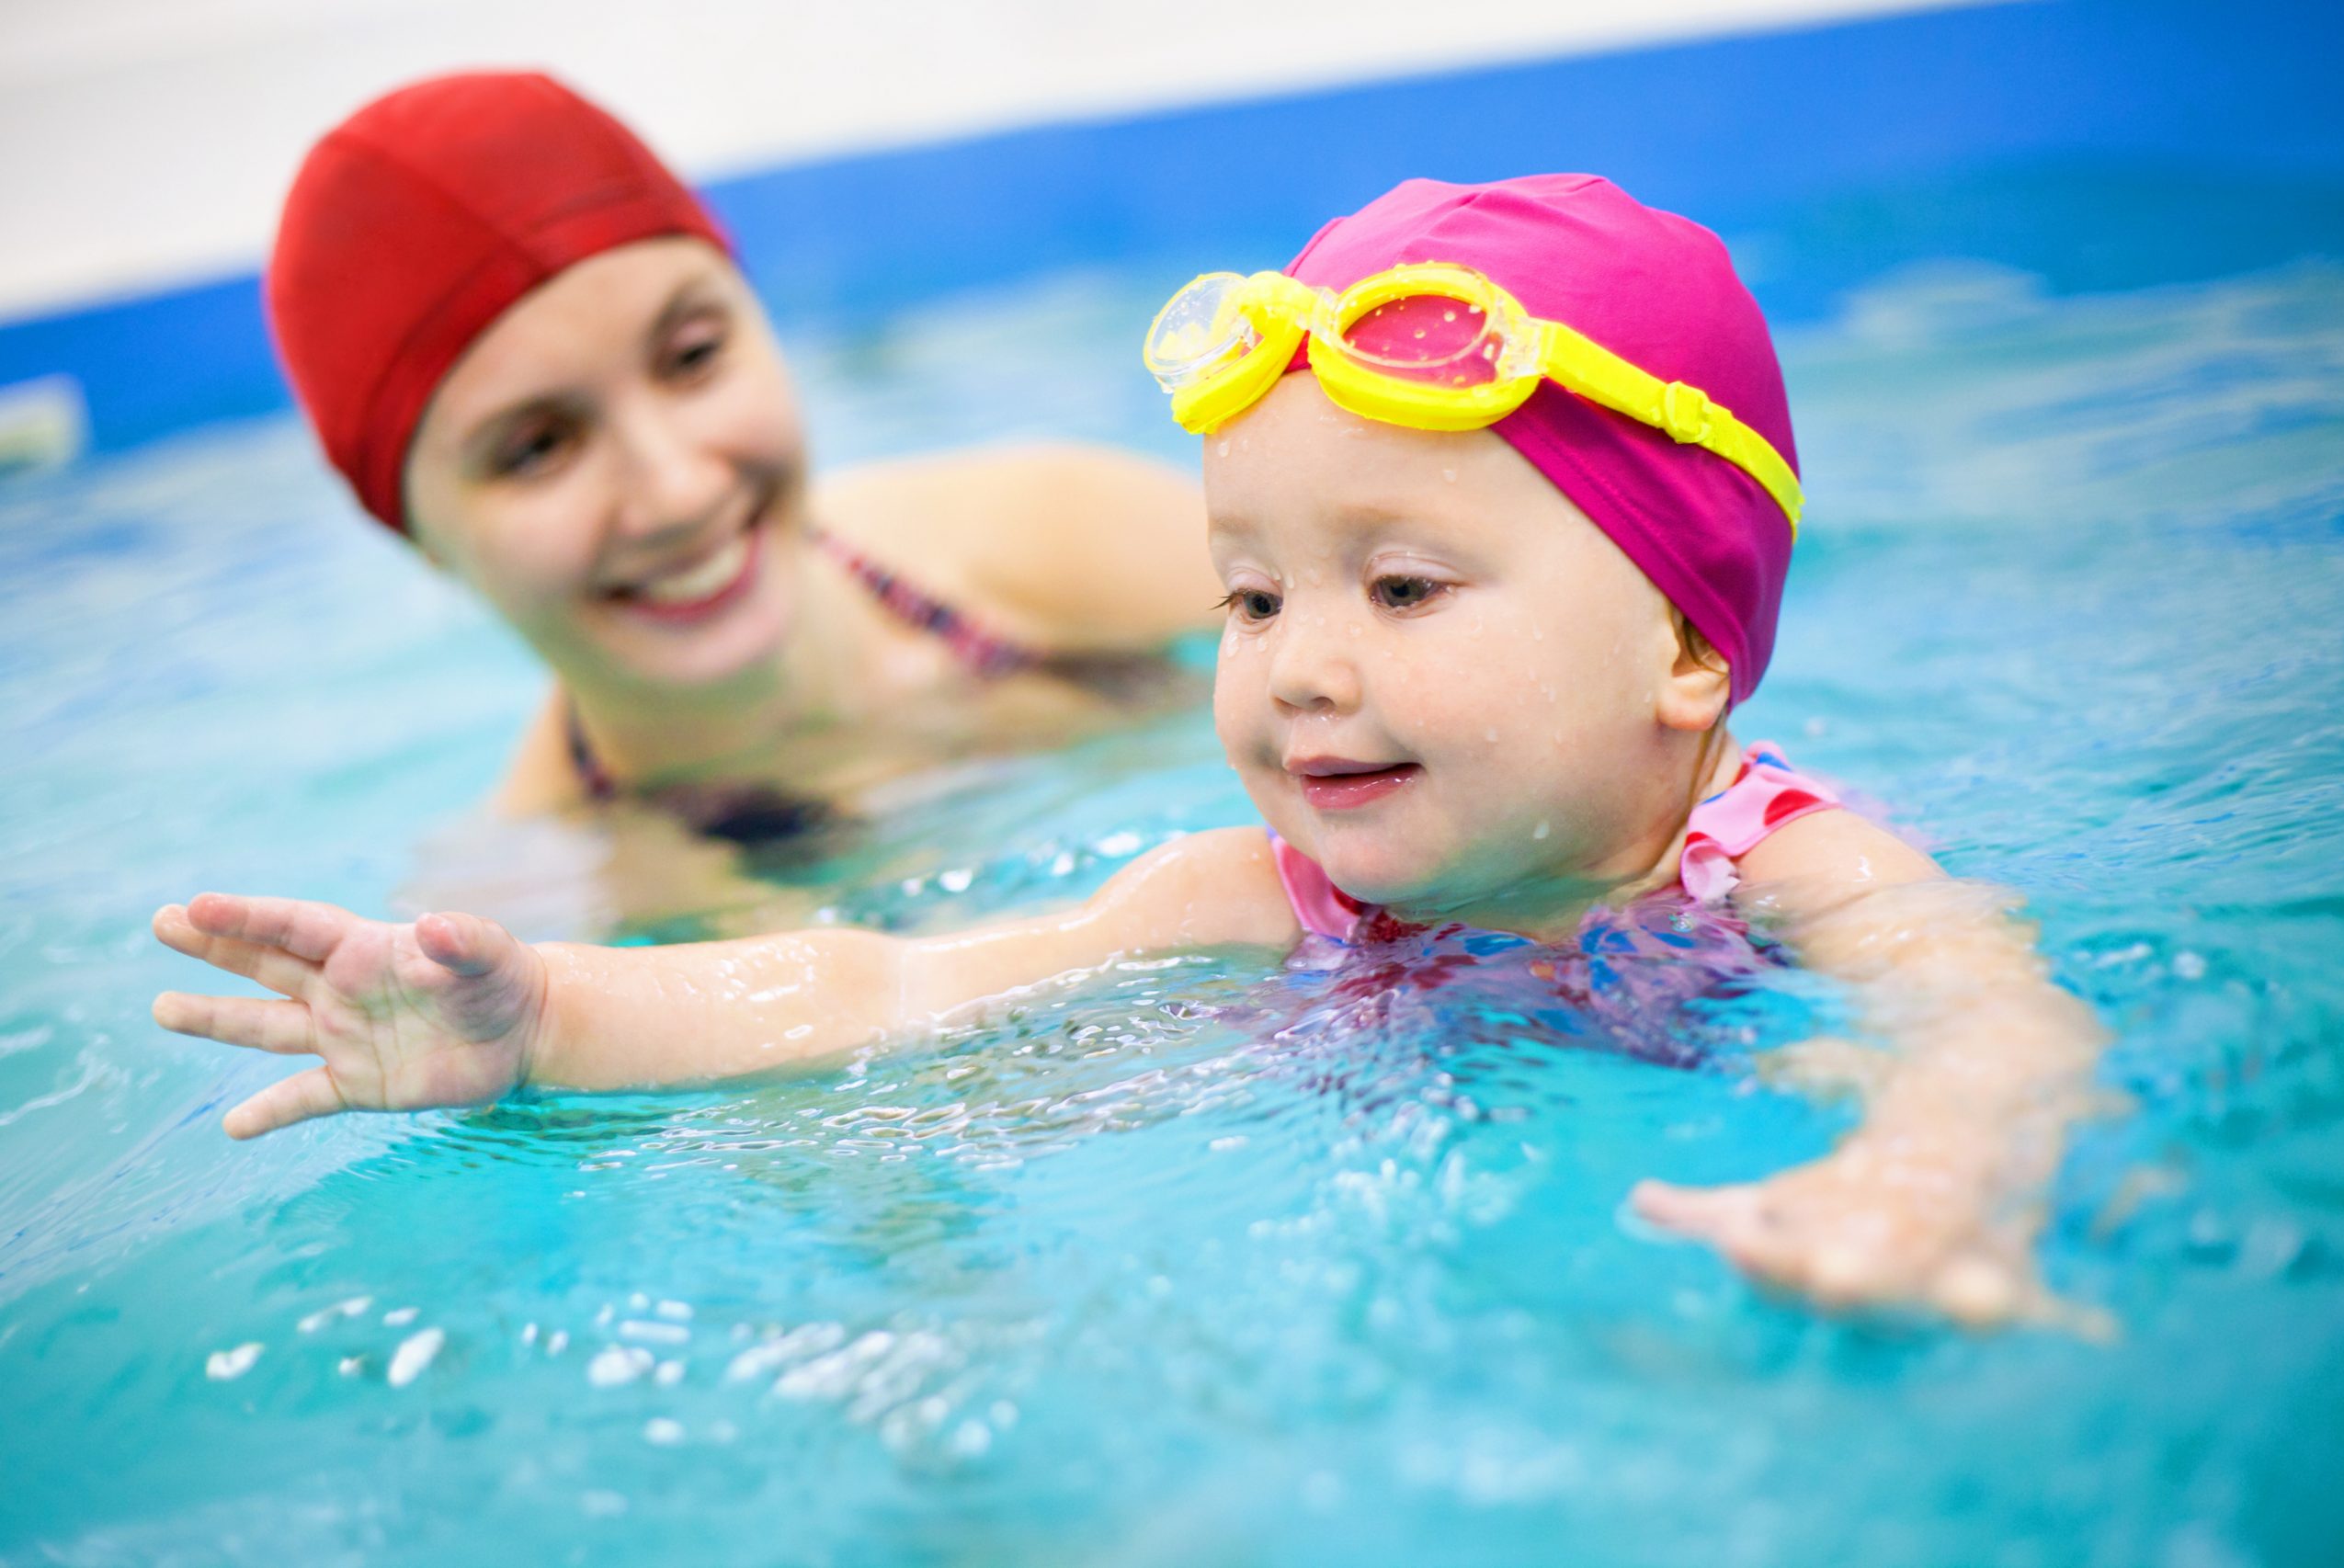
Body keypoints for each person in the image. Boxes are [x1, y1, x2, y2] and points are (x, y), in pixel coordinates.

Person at [157, 175, 2107, 1327]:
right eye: (1247, 600)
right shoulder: (1246, 895)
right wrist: (552, 1026)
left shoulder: (1778, 865)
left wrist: (1923, 1176)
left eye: (1401, 588)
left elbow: (1989, 1018)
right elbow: (890, 980)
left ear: (1684, 642)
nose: (1288, 673)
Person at [267, 71, 1218, 846]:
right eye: (538, 448)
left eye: (692, 357)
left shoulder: (1066, 535)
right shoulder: (540, 924)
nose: (677, 490)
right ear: (418, 536)